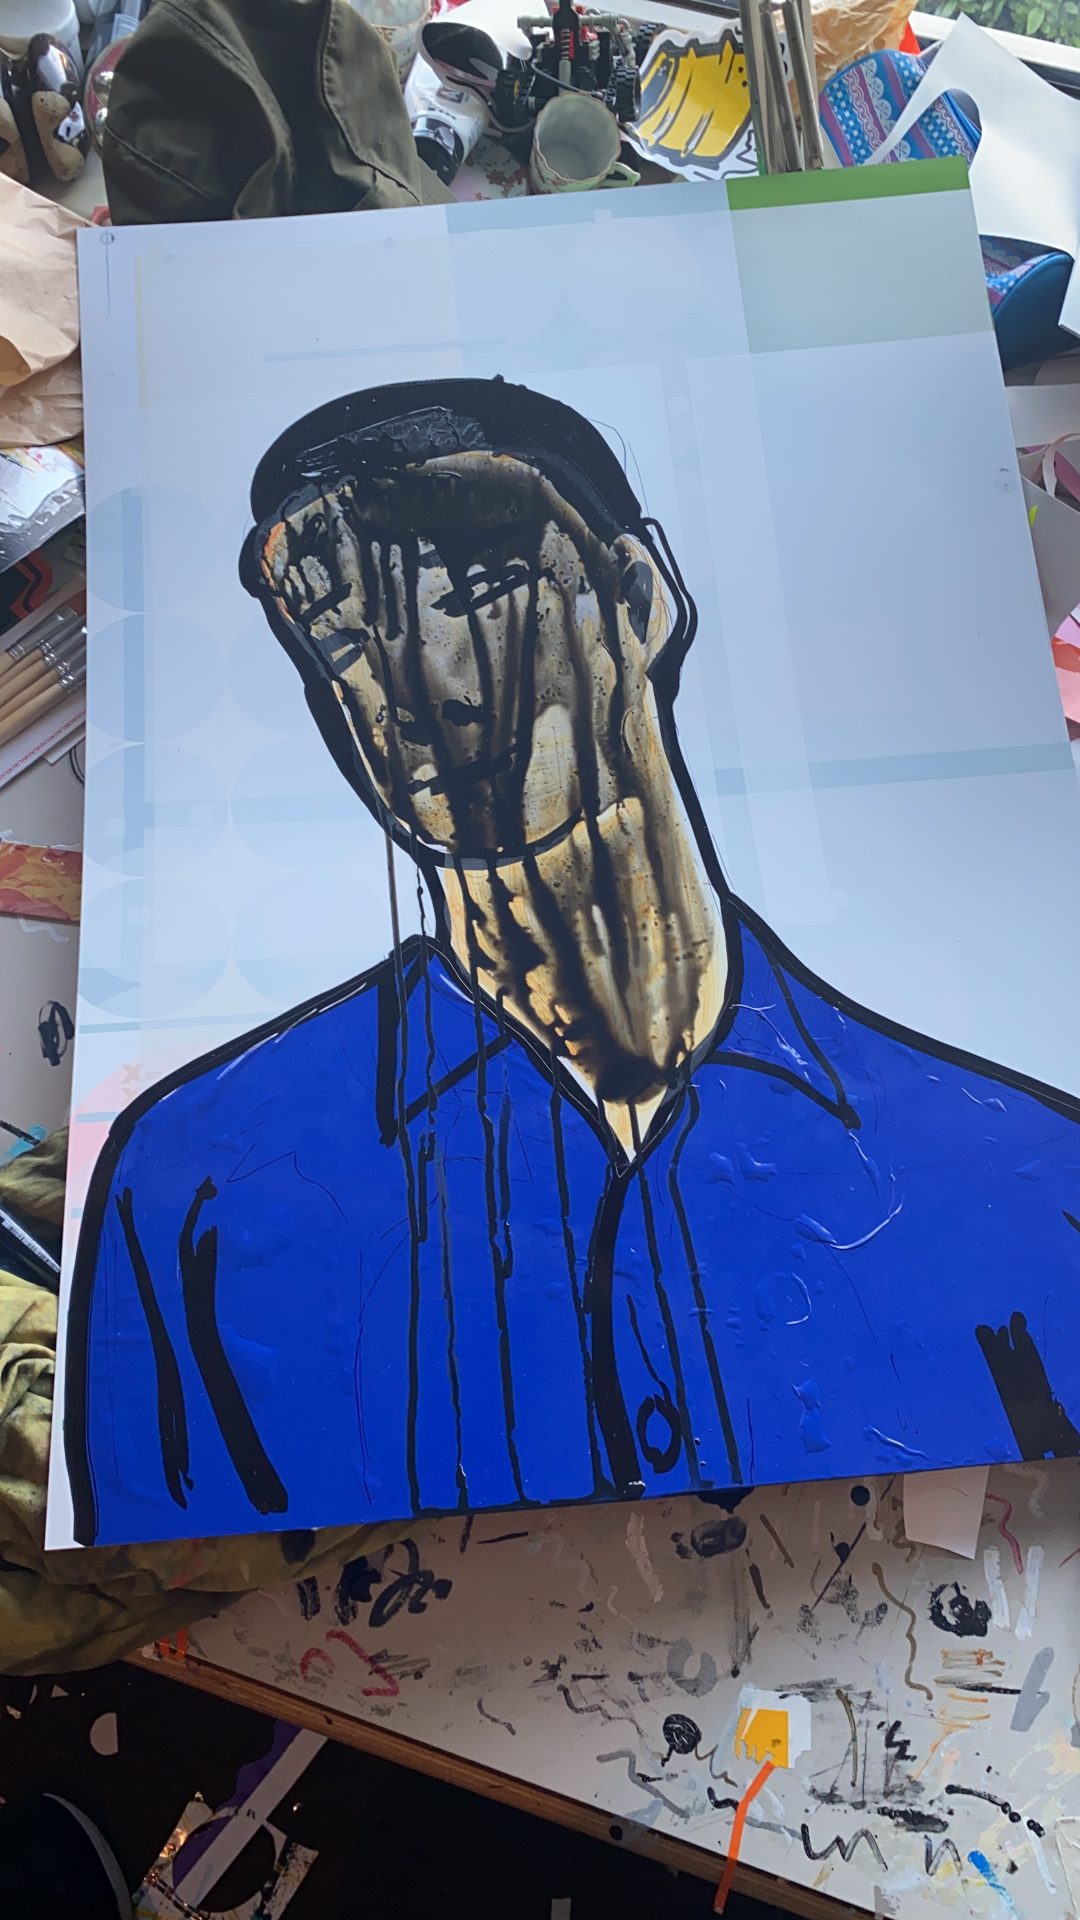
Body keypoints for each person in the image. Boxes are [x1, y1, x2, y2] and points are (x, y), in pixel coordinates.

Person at [65, 378, 1080, 1547]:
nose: (421, 686)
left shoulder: (1023, 1176)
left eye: (479, 595)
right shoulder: (197, 1184)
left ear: (638, 598)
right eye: (344, 640)